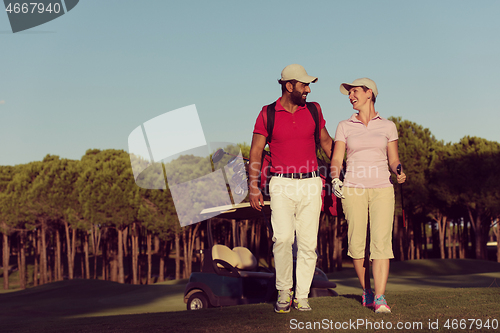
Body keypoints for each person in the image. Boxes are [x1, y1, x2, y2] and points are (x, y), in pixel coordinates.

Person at [249, 64, 333, 313]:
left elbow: (326, 142)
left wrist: (344, 168)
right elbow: (255, 151)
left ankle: (303, 296)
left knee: (308, 244)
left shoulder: (314, 110)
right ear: (289, 86)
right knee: (283, 239)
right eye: (304, 85)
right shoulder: (267, 114)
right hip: (281, 183)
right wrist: (253, 187)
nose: (308, 89)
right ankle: (284, 291)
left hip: (311, 182)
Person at [330, 78, 406, 314]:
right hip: (353, 188)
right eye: (349, 93)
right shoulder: (344, 125)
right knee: (356, 243)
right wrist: (335, 178)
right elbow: (336, 158)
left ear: (369, 93)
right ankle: (367, 292)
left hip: (383, 188)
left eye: (354, 91)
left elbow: (393, 159)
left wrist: (399, 171)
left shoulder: (388, 126)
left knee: (381, 243)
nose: (350, 96)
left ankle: (381, 298)